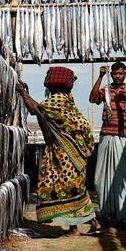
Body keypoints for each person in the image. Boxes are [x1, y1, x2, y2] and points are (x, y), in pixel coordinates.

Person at [16, 66, 102, 236]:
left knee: (71, 188)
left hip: (65, 154)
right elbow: (41, 109)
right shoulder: (65, 99)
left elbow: (35, 110)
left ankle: (84, 225)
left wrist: (23, 93)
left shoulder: (56, 101)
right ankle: (82, 226)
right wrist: (26, 93)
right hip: (71, 152)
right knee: (74, 188)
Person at [89, 61, 126, 228]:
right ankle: (105, 213)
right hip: (106, 135)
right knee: (101, 178)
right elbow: (92, 99)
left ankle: (121, 216)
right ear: (111, 74)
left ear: (125, 74)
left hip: (123, 136)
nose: (118, 76)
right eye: (115, 74)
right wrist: (100, 76)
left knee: (120, 178)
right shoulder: (106, 89)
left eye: (121, 73)